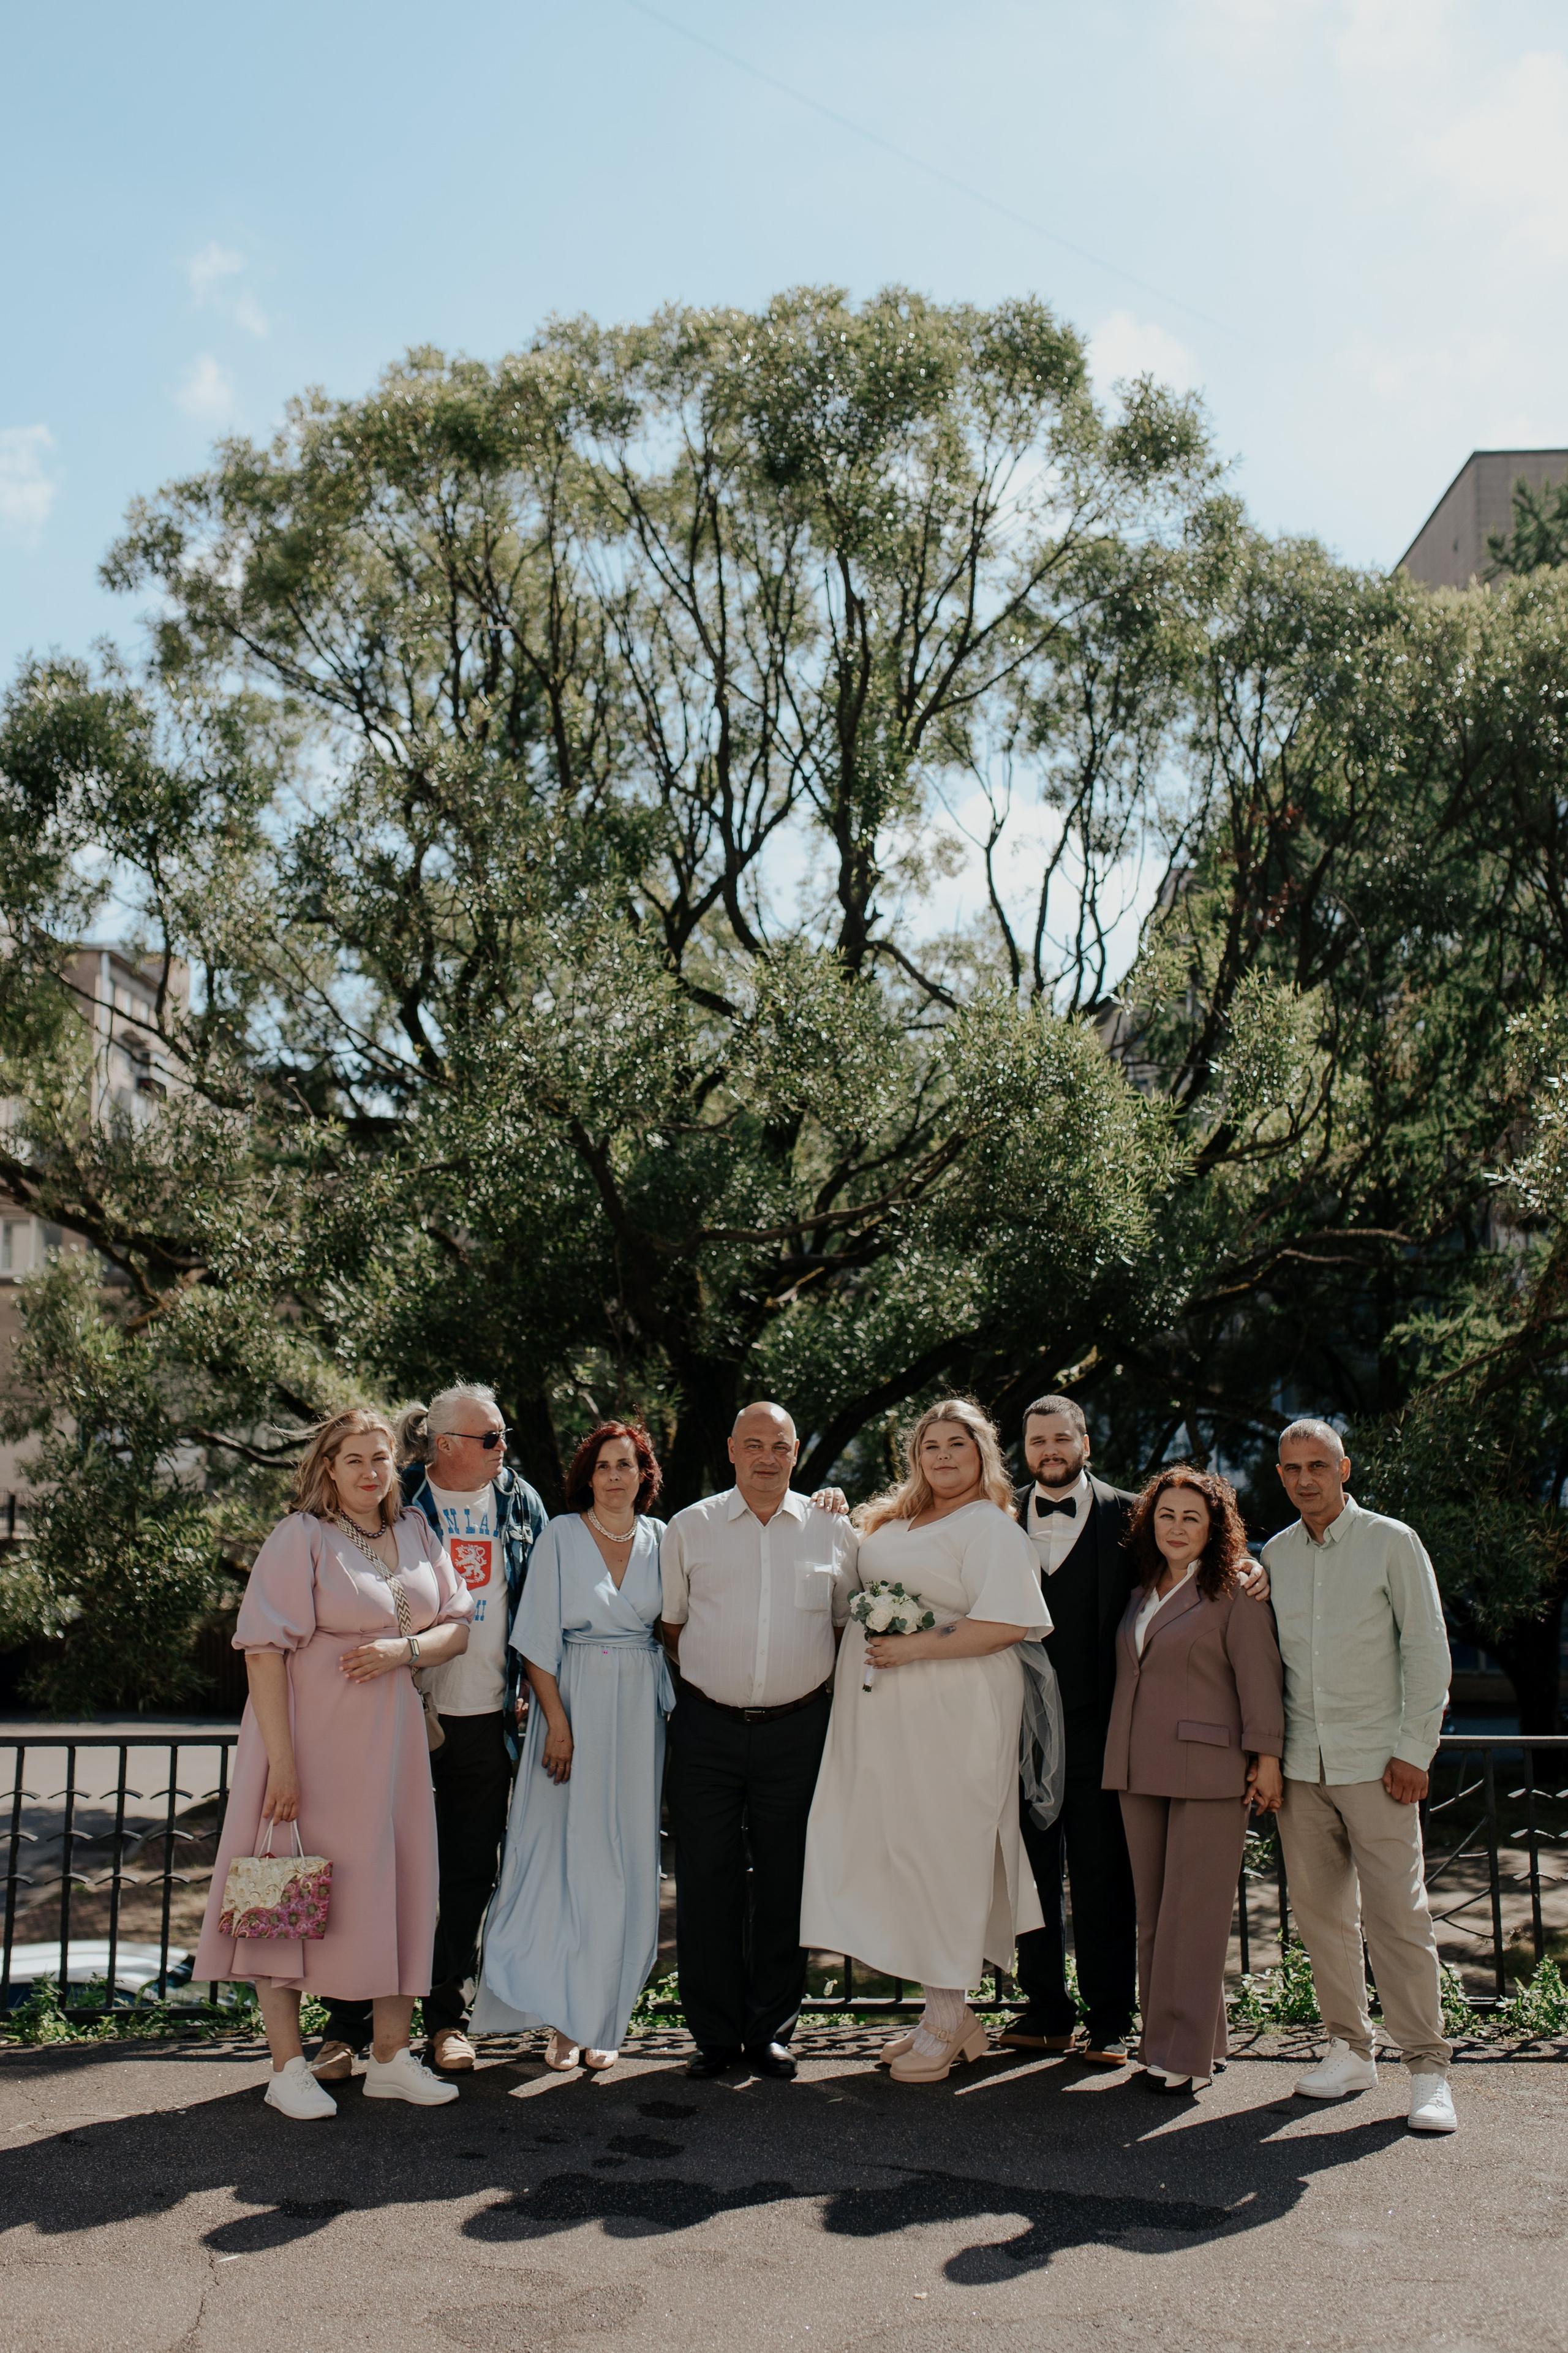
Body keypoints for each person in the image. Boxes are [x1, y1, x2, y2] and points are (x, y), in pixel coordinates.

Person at [194, 1408, 475, 2120]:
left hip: (393, 1746)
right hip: (308, 1745)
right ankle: (286, 2068)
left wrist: (400, 1652)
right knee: (281, 1890)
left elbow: (457, 1627)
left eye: (380, 1457)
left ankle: (389, 2057)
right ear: (327, 1467)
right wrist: (280, 1766)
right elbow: (261, 1650)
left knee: (402, 1885)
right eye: (354, 1459)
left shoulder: (413, 1530)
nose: (370, 1471)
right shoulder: (302, 1536)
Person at [801, 1398, 1058, 2085]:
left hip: (959, 1708)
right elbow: (846, 1567)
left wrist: (912, 1649)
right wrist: (830, 1506)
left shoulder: (991, 1528)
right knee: (903, 1849)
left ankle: (950, 2017)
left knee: (948, 1851)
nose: (942, 1456)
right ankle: (941, 2011)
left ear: (982, 1454)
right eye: (930, 1445)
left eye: (957, 1444)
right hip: (889, 1715)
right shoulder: (895, 1518)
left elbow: (1006, 1622)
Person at [311, 1383, 546, 2082]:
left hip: (485, 1721)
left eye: (502, 1436)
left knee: (468, 1872)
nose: (504, 1450)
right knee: (370, 1868)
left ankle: (447, 2019)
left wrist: (536, 1691)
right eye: (492, 1438)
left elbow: (535, 1605)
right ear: (446, 1445)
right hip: (398, 1717)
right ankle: (346, 2026)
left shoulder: (519, 1502)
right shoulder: (397, 1501)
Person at [1264, 1419, 1457, 2135]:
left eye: (1318, 1465)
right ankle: (1350, 2047)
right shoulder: (1275, 1556)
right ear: (1279, 1475)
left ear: (1344, 1469)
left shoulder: (1392, 1541)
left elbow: (1427, 1648)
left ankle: (1428, 2069)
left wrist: (1415, 1749)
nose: (1305, 1479)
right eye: (1291, 1468)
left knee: (1399, 1918)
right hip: (1301, 1767)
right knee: (1321, 1918)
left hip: (1380, 1768)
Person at [660, 1402, 861, 2080]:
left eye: (779, 1445)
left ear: (796, 1451)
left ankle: (771, 2028)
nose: (766, 1456)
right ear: (731, 1450)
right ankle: (714, 2034)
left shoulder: (833, 1528)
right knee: (706, 1880)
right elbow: (672, 1624)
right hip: (707, 1727)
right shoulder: (690, 1526)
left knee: (785, 1882)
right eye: (753, 1444)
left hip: (799, 1729)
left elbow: (842, 1624)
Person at [472, 1421, 672, 2069]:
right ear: (587, 1475)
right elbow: (535, 1640)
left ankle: (604, 2013)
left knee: (625, 1867)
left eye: (628, 1464)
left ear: (645, 1475)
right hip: (573, 1708)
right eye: (604, 1465)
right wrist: (555, 1724)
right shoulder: (561, 1535)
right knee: (564, 1864)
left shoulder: (662, 1540)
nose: (615, 1475)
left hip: (639, 1713)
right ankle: (562, 2019)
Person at [1102, 1463, 1284, 2093]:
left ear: (1214, 1528)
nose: (1176, 1527)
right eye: (1165, 1515)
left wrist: (1267, 1758)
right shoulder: (1140, 1591)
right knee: (1154, 1914)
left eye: (1191, 1517)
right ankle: (1186, 2037)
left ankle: (1177, 2056)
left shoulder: (1236, 1590)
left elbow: (1259, 1678)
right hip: (1136, 1765)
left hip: (1209, 1766)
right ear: (1149, 1523)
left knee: (1194, 1912)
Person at [1000, 1394, 1140, 2064]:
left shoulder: (1131, 1515)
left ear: (1086, 1440)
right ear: (1023, 1450)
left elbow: (1188, 1568)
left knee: (1101, 1874)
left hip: (1102, 1724)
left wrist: (1248, 1569)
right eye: (1037, 1441)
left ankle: (1112, 2017)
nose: (1049, 1450)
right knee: (1028, 1874)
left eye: (1062, 1437)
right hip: (1014, 1725)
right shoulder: (995, 1516)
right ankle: (1046, 2008)